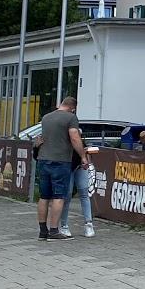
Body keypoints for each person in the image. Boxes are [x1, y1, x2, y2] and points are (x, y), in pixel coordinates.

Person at [35, 96, 88, 241]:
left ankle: (42, 231)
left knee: (44, 196)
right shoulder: (70, 118)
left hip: (43, 160)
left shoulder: (46, 117)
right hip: (60, 161)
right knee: (59, 196)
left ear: (61, 104)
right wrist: (83, 156)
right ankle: (54, 231)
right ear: (73, 108)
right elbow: (75, 138)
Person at [58, 131, 96, 239]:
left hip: (80, 167)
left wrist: (86, 160)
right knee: (67, 195)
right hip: (67, 167)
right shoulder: (64, 142)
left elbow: (85, 153)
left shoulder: (80, 142)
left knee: (84, 193)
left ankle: (88, 224)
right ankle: (64, 225)